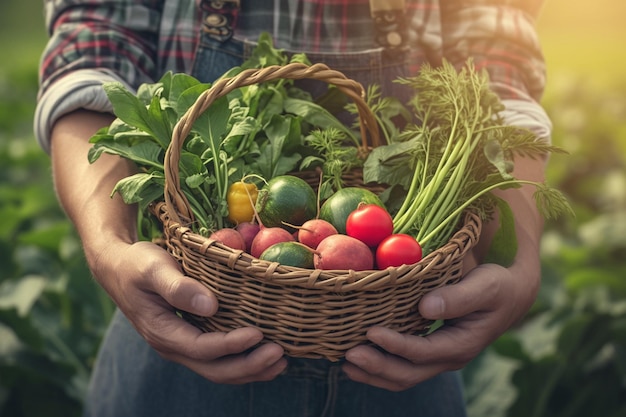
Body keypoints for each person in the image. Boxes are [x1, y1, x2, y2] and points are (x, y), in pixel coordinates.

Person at [35, 0, 552, 415]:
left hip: (407, 331)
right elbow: (93, 52)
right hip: (185, 314)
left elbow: (499, 73)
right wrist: (108, 244)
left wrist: (518, 250)